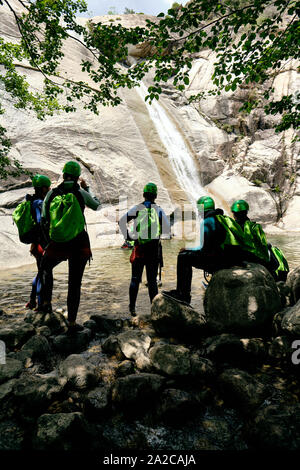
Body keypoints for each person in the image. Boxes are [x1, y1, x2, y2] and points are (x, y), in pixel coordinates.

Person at [163, 195, 261, 304]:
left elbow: (204, 249)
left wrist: (187, 249)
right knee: (187, 254)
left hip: (218, 262)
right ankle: (184, 293)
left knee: (183, 257)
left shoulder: (207, 221)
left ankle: (183, 294)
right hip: (229, 259)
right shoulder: (221, 218)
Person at [39, 160, 101, 334]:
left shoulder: (51, 194)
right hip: (78, 243)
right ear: (77, 177)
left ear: (64, 173)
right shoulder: (81, 193)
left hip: (57, 243)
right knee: (74, 283)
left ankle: (46, 303)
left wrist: (49, 240)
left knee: (44, 268)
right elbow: (96, 205)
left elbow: (44, 218)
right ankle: (72, 322)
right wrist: (87, 188)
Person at [118, 182, 170, 316]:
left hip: (139, 247)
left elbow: (122, 221)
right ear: (156, 196)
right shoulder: (159, 210)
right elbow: (166, 229)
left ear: (143, 194)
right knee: (152, 281)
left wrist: (129, 236)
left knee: (135, 279)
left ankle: (132, 309)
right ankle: (154, 311)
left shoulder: (137, 208)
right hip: (153, 249)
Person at [231, 199, 289, 281]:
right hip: (253, 258)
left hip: (237, 258)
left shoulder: (230, 226)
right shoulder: (254, 227)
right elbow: (262, 246)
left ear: (234, 214)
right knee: (272, 250)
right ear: (246, 212)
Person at [25, 174, 51, 310]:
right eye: (48, 188)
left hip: (37, 244)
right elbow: (41, 223)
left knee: (41, 272)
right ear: (43, 189)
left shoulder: (32, 200)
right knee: (43, 274)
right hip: (41, 244)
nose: (49, 189)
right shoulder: (39, 203)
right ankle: (40, 305)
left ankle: (32, 301)